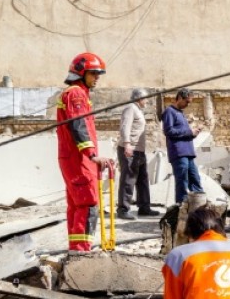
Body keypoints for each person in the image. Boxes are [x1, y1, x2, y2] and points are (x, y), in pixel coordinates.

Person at [57, 52, 114, 252]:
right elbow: (78, 125)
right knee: (88, 203)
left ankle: (75, 250)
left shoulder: (78, 93)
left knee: (76, 205)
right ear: (81, 72)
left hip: (75, 157)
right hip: (79, 158)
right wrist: (92, 155)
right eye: (94, 73)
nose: (97, 77)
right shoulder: (76, 94)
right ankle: (82, 251)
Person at [116, 89, 158, 220]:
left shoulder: (139, 110)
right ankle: (123, 209)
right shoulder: (130, 108)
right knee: (128, 179)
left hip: (139, 150)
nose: (147, 101)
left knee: (142, 180)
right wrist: (127, 144)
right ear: (139, 98)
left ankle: (144, 207)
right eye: (146, 98)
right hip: (130, 149)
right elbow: (125, 127)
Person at [162, 89, 203, 204]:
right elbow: (169, 131)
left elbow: (183, 132)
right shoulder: (169, 112)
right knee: (182, 181)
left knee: (195, 180)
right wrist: (189, 132)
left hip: (188, 153)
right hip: (179, 153)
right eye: (186, 101)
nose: (187, 104)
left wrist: (193, 133)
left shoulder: (180, 113)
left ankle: (200, 208)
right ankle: (181, 208)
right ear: (179, 98)